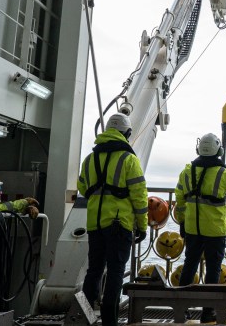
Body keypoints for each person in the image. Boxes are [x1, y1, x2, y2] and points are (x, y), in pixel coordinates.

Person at [174, 133, 226, 324]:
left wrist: (183, 222)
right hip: (214, 230)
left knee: (189, 265)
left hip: (193, 228)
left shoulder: (186, 172)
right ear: (218, 151)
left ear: (199, 149)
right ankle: (208, 311)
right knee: (213, 269)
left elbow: (179, 199)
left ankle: (181, 309)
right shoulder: (223, 174)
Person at [77, 113, 148, 326]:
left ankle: (83, 316)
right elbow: (139, 196)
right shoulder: (129, 159)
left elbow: (83, 187)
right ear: (127, 133)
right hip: (119, 224)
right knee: (116, 272)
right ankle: (110, 321)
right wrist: (142, 225)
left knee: (94, 270)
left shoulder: (90, 159)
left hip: (95, 224)